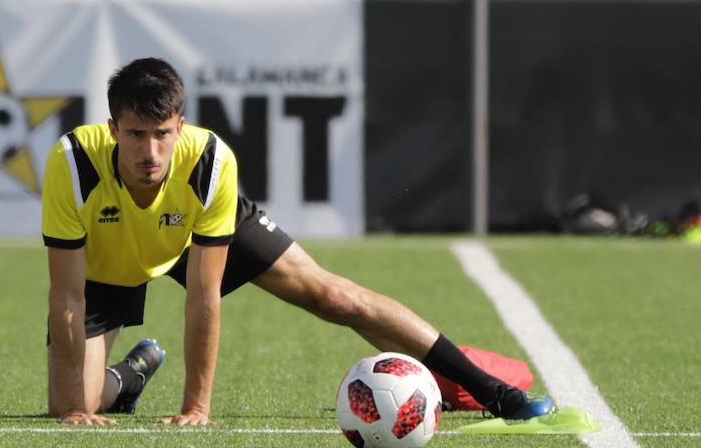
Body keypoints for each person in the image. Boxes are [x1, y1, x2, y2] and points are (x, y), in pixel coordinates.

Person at [42, 57, 554, 426]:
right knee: (74, 401)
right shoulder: (72, 165)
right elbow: (66, 296)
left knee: (334, 295)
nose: (149, 151)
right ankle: (129, 378)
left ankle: (495, 391)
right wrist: (71, 410)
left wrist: (197, 408)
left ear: (181, 126)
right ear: (112, 130)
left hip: (192, 230)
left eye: (161, 133)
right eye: (134, 134)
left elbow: (204, 296)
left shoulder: (208, 162)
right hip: (110, 262)